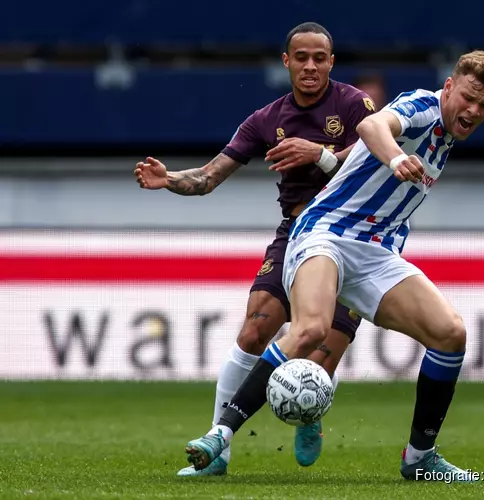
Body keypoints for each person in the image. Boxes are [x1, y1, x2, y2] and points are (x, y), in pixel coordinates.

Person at [183, 50, 484, 481]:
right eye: (468, 97)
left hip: (377, 254)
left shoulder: (449, 134)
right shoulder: (422, 105)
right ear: (449, 87)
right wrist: (395, 157)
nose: (473, 110)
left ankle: (420, 457)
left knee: (451, 334)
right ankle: (220, 435)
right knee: (311, 330)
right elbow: (372, 125)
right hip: (326, 233)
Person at [133, 22, 376, 476]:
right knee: (252, 331)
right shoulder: (266, 120)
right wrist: (169, 180)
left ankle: (310, 412)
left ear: (331, 62)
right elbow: (208, 177)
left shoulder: (354, 105)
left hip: (352, 238)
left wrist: (319, 154)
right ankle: (216, 452)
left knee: (320, 356)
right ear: (286, 61)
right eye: (300, 57)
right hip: (297, 234)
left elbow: (376, 156)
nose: (309, 66)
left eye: (319, 58)